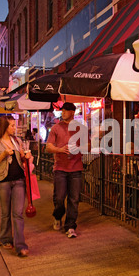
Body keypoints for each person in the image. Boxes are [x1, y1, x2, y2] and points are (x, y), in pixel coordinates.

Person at [0, 115, 32, 257]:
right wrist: (3, 155)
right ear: (4, 127)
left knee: (17, 214)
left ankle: (20, 245)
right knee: (6, 213)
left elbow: (21, 157)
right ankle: (6, 238)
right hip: (3, 181)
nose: (15, 128)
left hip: (19, 180)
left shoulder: (16, 141)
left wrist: (26, 156)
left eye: (14, 125)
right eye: (12, 125)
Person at [46, 102, 87, 238]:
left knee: (74, 199)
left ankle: (70, 226)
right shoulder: (56, 128)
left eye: (65, 110)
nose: (62, 113)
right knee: (59, 197)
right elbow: (48, 147)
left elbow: (87, 146)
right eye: (62, 110)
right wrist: (60, 149)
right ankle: (58, 216)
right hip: (60, 167)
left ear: (72, 112)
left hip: (76, 168)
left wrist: (79, 149)